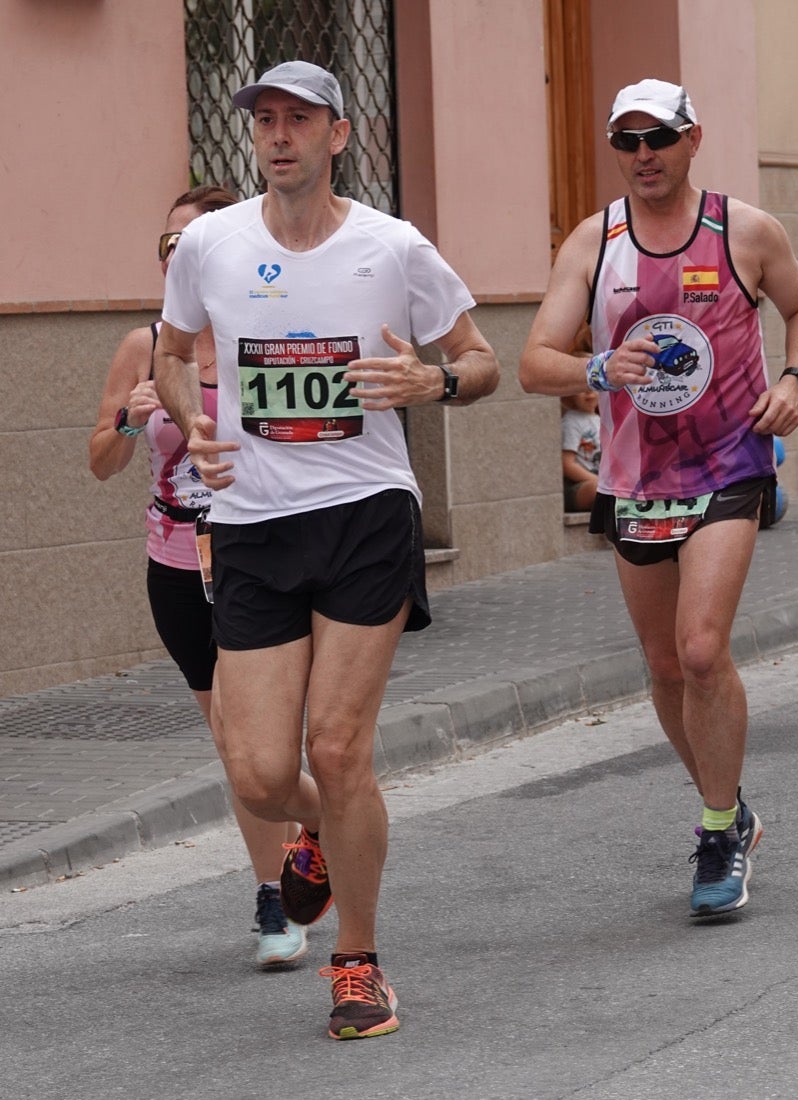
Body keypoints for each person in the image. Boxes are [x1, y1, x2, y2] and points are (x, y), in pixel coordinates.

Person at [152, 60, 500, 1039]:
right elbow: (170, 357)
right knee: (259, 769)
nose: (278, 134)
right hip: (253, 524)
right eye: (263, 118)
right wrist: (196, 418)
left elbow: (483, 362)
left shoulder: (393, 247)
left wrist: (431, 383)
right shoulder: (210, 245)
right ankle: (314, 828)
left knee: (338, 745)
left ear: (338, 134)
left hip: (363, 513)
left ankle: (357, 961)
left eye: (298, 118)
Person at [520, 78, 798, 918]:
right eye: (627, 141)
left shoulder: (744, 230)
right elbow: (532, 359)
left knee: (697, 650)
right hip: (634, 478)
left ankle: (717, 830)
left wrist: (794, 379)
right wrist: (592, 367)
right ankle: (732, 803)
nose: (643, 155)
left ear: (693, 139)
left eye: (658, 136)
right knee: (660, 665)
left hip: (728, 465)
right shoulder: (595, 242)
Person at [90, 185, 307, 968]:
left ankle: (299, 869)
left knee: (259, 741)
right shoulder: (143, 344)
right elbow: (100, 463)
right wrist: (126, 417)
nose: (178, 254)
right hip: (176, 564)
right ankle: (285, 877)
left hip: (260, 554)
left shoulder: (264, 331)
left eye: (194, 240)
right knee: (233, 743)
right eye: (167, 243)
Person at [561, 390, 601, 512]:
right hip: (578, 485)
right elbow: (567, 465)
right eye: (581, 388)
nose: (589, 392)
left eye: (593, 386)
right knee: (597, 489)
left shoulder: (601, 420)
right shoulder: (571, 422)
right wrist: (599, 482)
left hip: (602, 482)